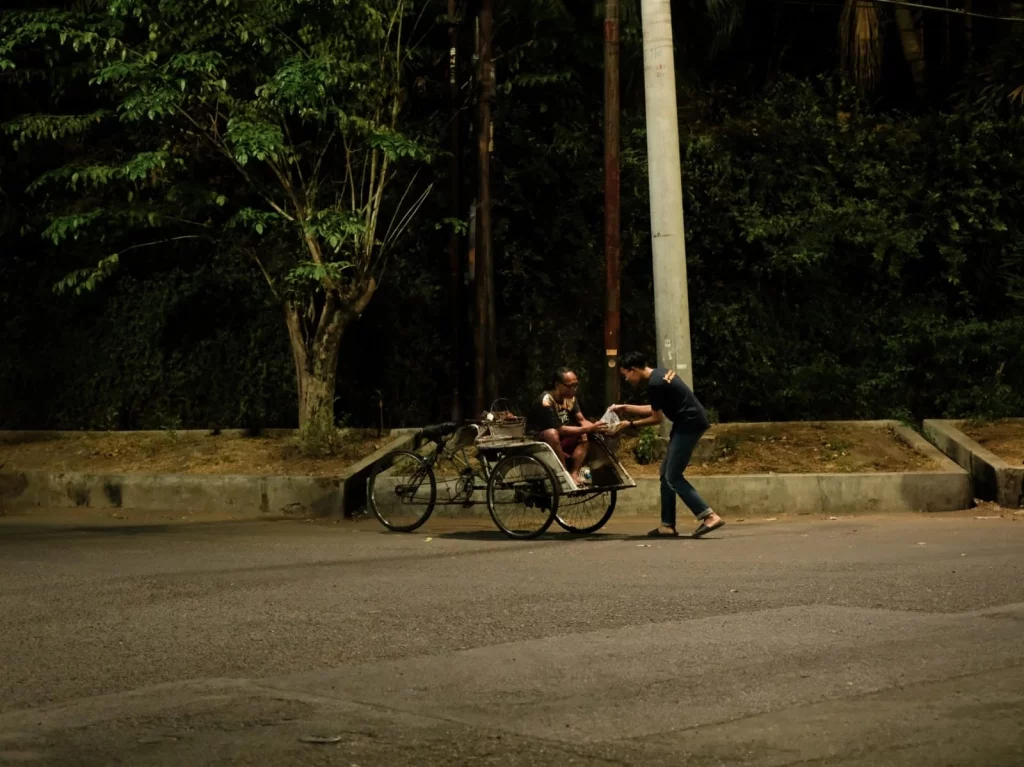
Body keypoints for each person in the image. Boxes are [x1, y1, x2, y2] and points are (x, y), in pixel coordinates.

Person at [611, 351, 725, 538]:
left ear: (633, 370)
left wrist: (628, 424)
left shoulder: (655, 383)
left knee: (673, 476)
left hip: (689, 425)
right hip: (687, 422)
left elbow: (656, 418)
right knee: (666, 473)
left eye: (625, 374)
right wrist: (626, 408)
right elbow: (657, 407)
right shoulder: (659, 374)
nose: (625, 378)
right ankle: (667, 525)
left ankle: (709, 516)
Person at [526, 367, 608, 485]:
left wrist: (600, 427)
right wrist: (589, 428)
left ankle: (575, 473)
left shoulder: (571, 399)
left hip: (562, 437)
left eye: (576, 385)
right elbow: (560, 430)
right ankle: (564, 473)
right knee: (552, 433)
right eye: (570, 386)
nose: (574, 389)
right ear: (558, 385)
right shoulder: (545, 401)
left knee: (584, 434)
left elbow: (582, 420)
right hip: (540, 437)